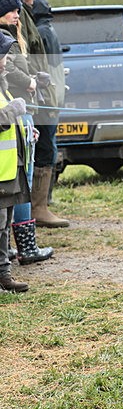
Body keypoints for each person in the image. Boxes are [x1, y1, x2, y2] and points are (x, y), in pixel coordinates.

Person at [6, 0, 69, 227]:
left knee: (40, 151)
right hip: (22, 99)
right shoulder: (20, 25)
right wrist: (31, 81)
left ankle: (37, 209)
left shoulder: (28, 21)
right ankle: (33, 213)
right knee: (36, 152)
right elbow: (13, 63)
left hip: (34, 96)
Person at [0, 0, 53, 264]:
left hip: (20, 113)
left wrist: (33, 77)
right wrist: (30, 82)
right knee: (22, 183)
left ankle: (11, 248)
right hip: (16, 115)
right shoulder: (4, 39)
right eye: (12, 10)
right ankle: (27, 248)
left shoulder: (10, 35)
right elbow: (9, 71)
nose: (17, 15)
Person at [0, 30, 31, 293]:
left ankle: (4, 276)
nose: (4, 60)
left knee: (3, 226)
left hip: (9, 170)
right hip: (2, 171)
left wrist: (25, 130)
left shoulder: (3, 85)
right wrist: (11, 112)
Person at [32, 0, 67, 203]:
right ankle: (46, 197)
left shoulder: (41, 32)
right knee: (50, 143)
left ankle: (44, 198)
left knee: (46, 146)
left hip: (49, 98)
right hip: (56, 96)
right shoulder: (49, 30)